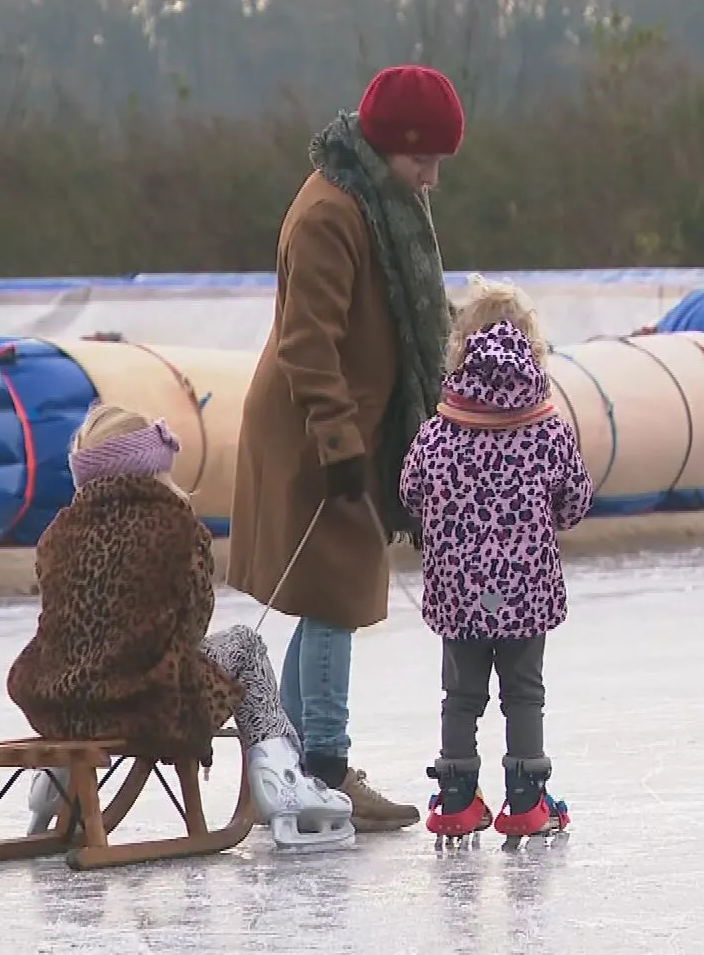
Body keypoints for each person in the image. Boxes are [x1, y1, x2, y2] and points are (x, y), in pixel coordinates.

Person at [225, 65, 467, 833]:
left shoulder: (382, 202)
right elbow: (308, 344)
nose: (432, 176)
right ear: (388, 144)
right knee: (334, 598)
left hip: (349, 426)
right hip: (315, 429)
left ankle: (288, 758)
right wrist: (337, 445)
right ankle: (325, 768)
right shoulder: (332, 214)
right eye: (422, 158)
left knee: (323, 599)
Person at [7, 403, 354, 853]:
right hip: (145, 701)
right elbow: (192, 624)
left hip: (59, 703)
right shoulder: (175, 526)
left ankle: (51, 786)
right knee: (244, 645)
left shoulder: (58, 533)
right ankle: (281, 778)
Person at [400, 279, 594, 839]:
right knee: (523, 693)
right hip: (527, 589)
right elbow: (575, 498)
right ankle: (527, 800)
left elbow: (411, 491)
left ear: (461, 346)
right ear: (532, 347)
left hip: (458, 591)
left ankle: (457, 799)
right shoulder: (547, 429)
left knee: (460, 696)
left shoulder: (439, 430)